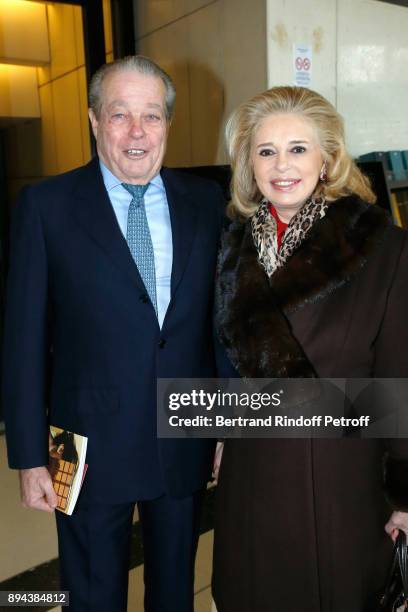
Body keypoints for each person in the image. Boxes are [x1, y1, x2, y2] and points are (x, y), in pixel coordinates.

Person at [3, 55, 224, 612]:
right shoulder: (46, 206)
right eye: (119, 114)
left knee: (174, 590)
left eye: (151, 116)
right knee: (91, 592)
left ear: (167, 124)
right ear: (95, 121)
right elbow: (23, 340)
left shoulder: (206, 202)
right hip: (82, 442)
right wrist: (30, 456)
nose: (136, 132)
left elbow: (218, 324)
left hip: (184, 432)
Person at [212, 86, 408, 612]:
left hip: (340, 472)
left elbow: (397, 377)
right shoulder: (232, 245)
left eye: (298, 148)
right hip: (251, 470)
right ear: (248, 163)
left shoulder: (382, 247)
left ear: (328, 158)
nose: (282, 166)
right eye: (266, 150)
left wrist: (404, 495)